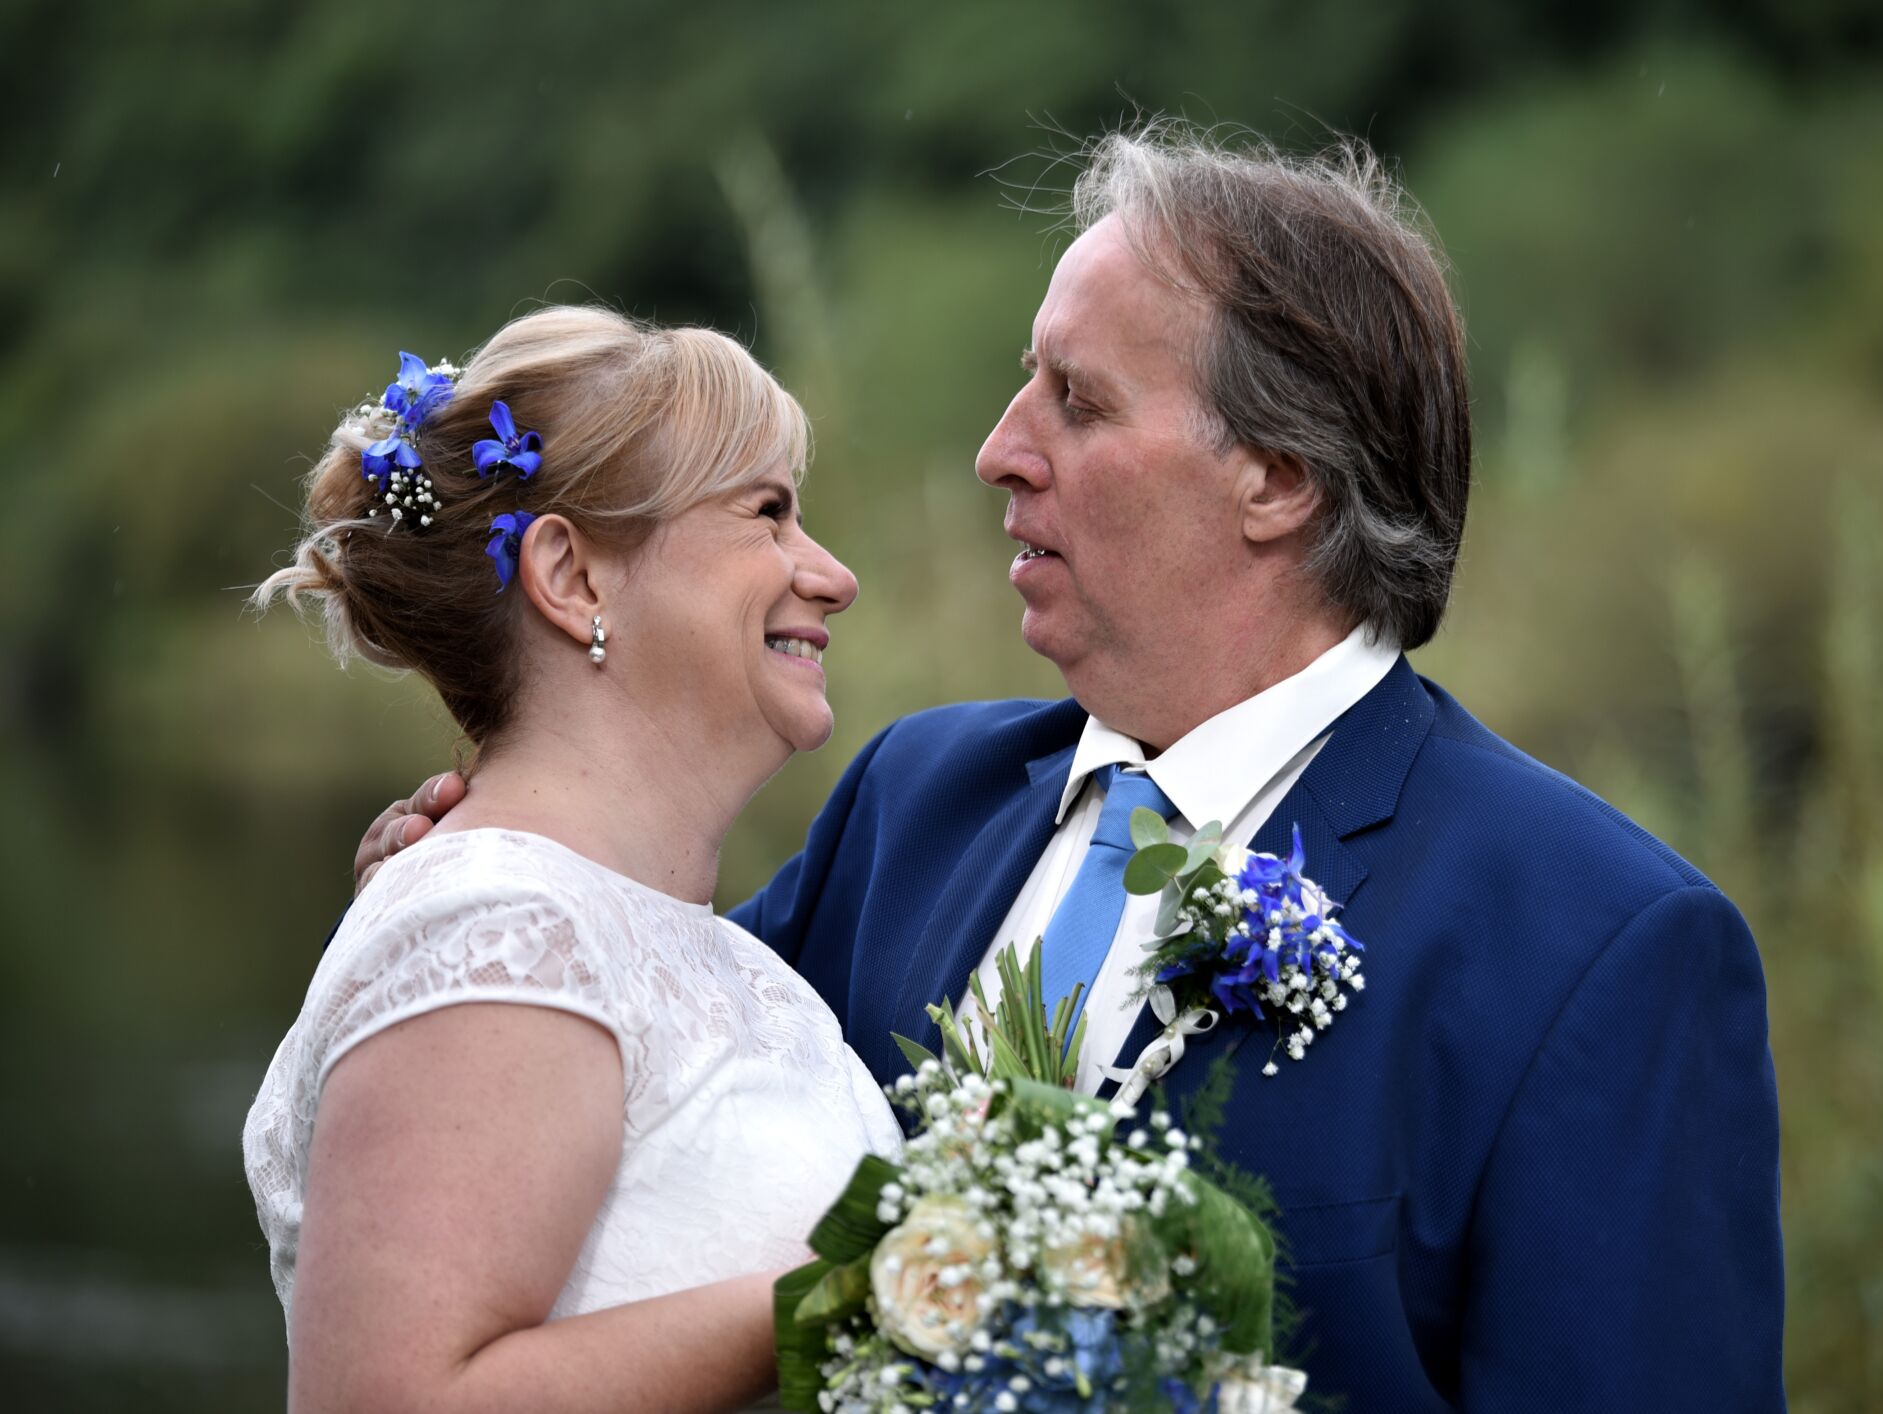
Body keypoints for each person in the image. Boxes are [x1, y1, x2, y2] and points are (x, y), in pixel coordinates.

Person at [362, 125, 1785, 1410]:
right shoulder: (909, 804)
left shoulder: (1598, 951)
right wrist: (501, 872)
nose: (998, 451)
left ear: (1277, 477)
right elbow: (622, 1093)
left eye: (1077, 402)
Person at [246, 307, 901, 1414]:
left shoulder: (692, 951)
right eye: (767, 513)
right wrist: (862, 1295)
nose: (832, 576)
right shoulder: (496, 932)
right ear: (573, 576)